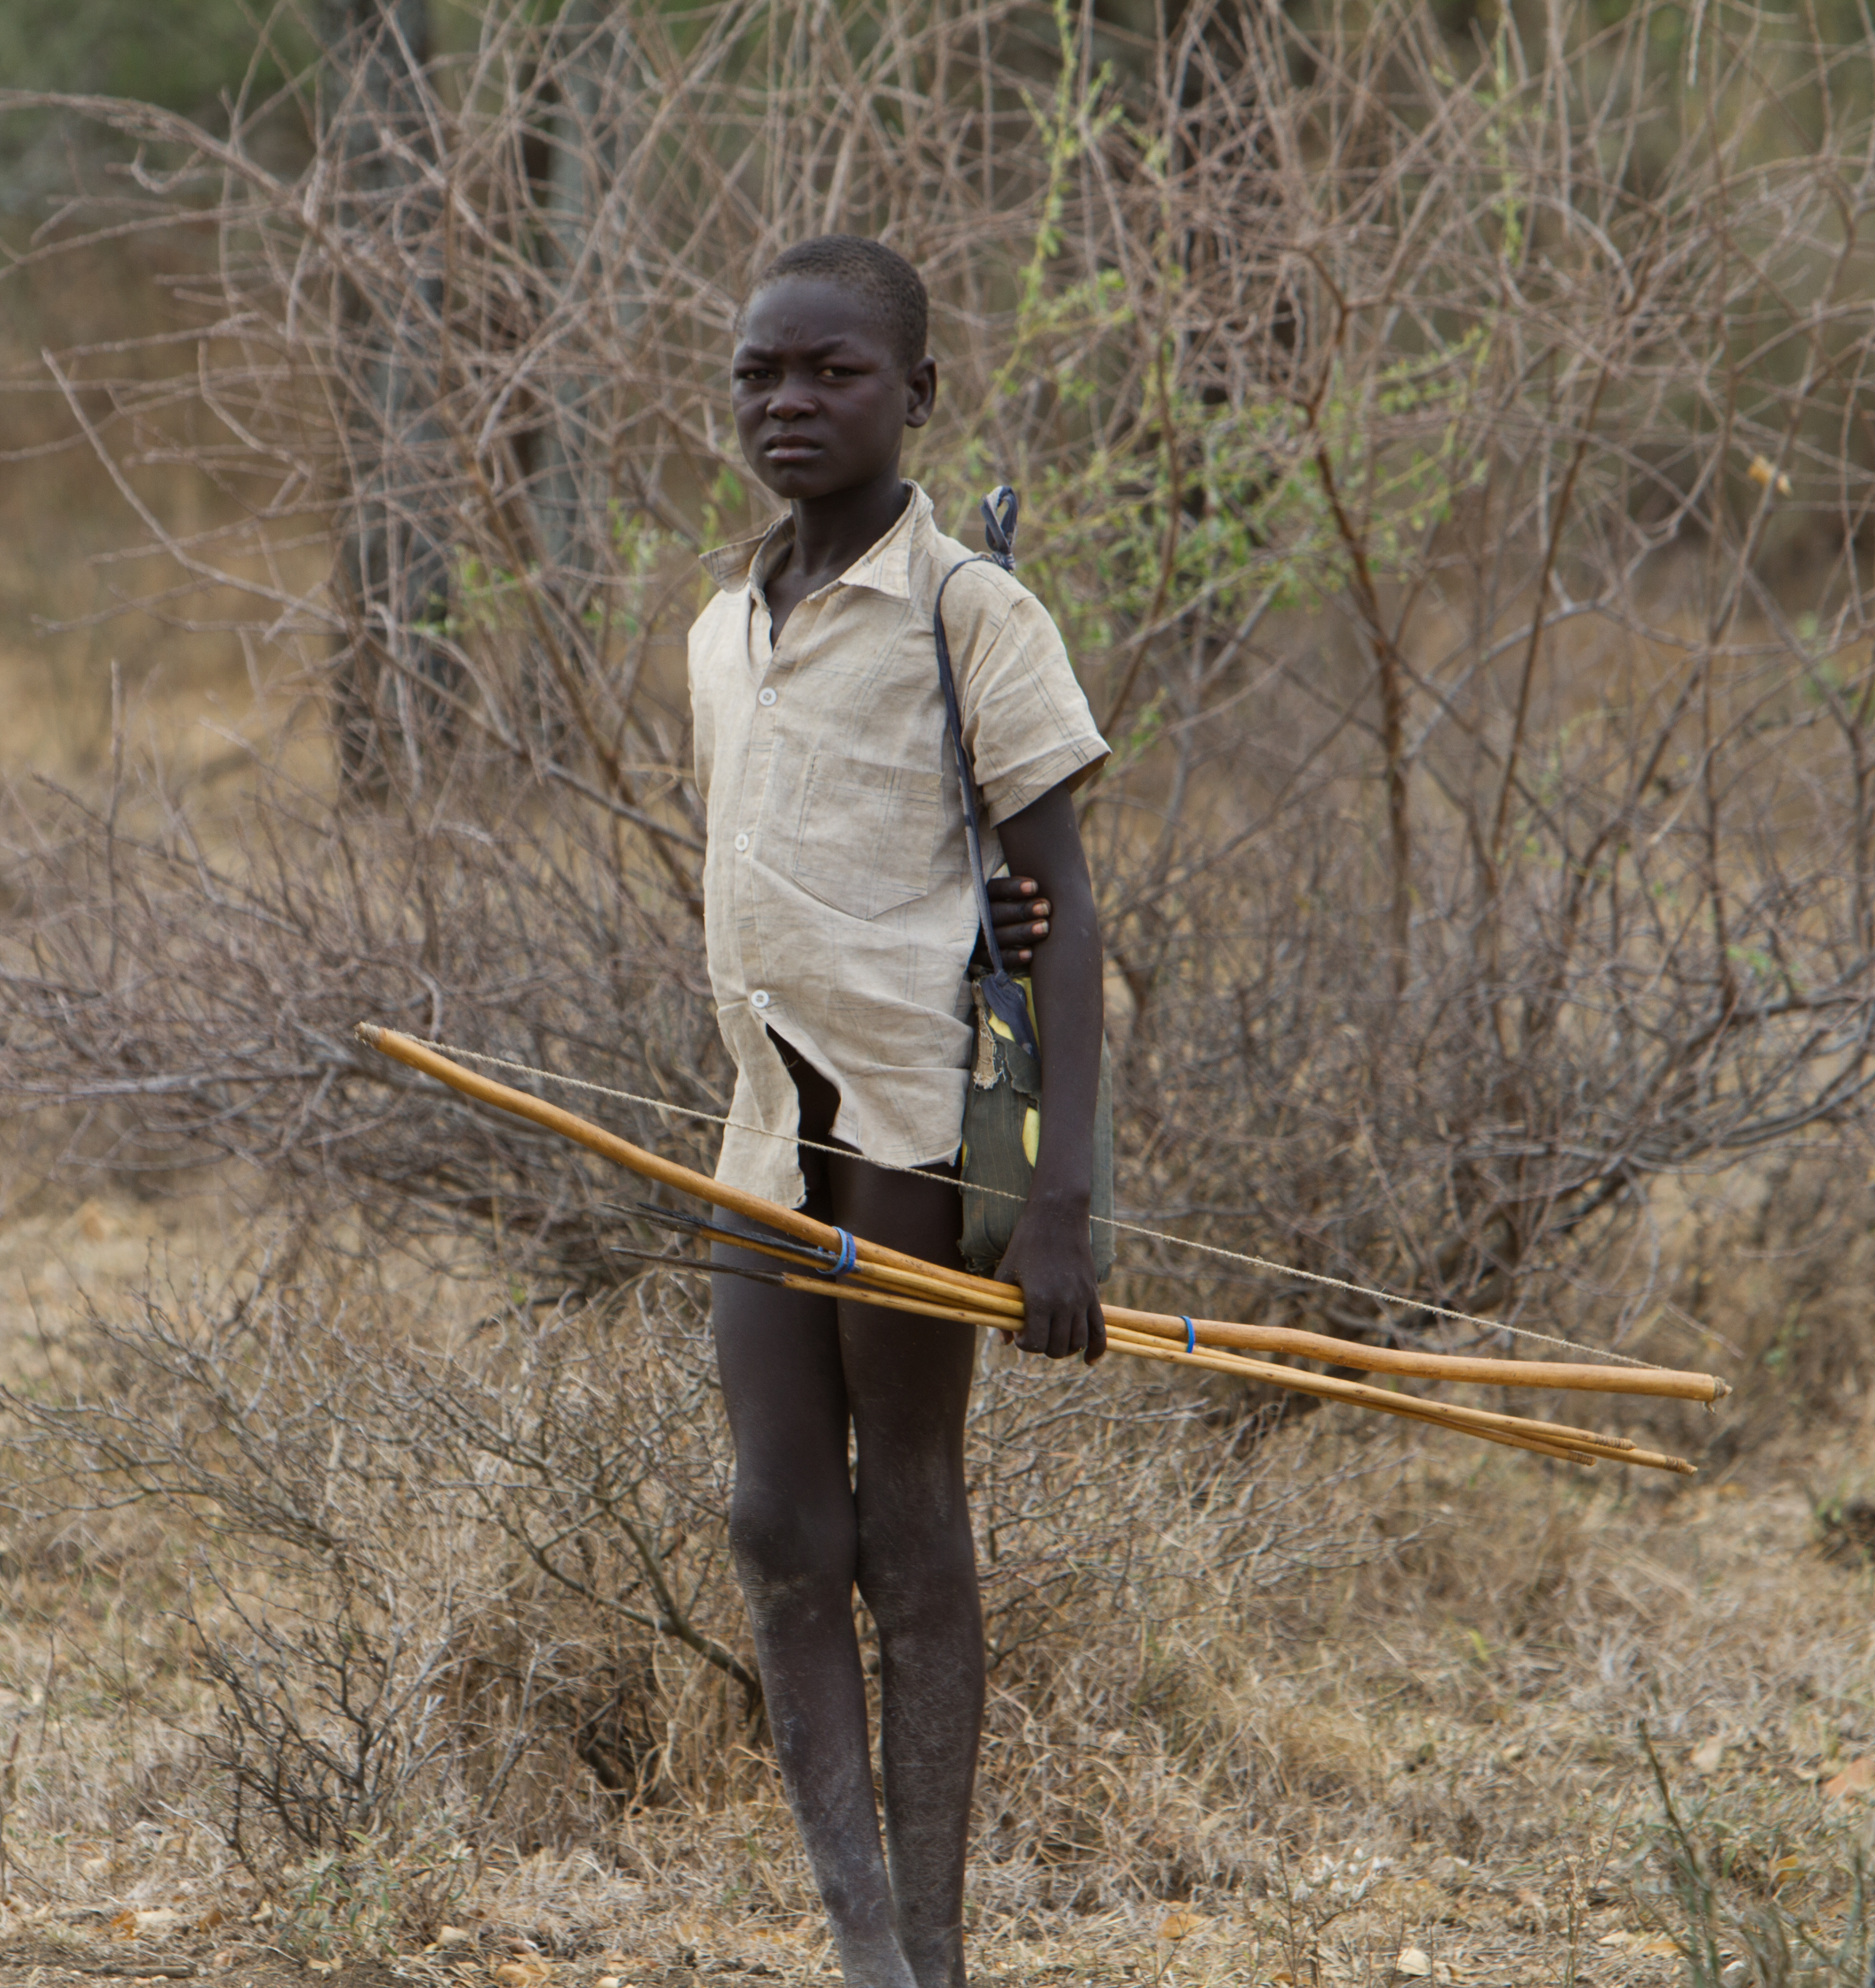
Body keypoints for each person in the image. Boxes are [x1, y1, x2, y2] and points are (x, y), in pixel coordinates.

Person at [686, 234, 1111, 1988]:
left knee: (909, 1517)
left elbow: (1065, 908)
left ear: (918, 394)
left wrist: (1069, 1203)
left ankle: (928, 1954)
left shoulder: (972, 613)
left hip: (919, 1133)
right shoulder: (722, 627)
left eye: (833, 372)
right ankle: (864, 1943)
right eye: (761, 374)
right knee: (779, 1522)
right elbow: (760, 872)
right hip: (760, 1134)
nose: (790, 403)